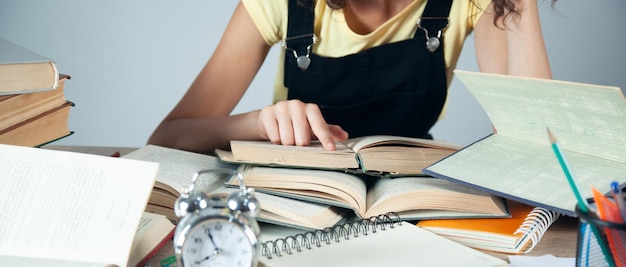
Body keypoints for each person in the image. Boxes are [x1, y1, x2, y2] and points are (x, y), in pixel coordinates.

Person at [148, 0, 552, 153]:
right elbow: (167, 138)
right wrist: (257, 123)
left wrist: (521, 4)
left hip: (409, 199)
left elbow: (533, 140)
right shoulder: (279, 4)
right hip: (297, 199)